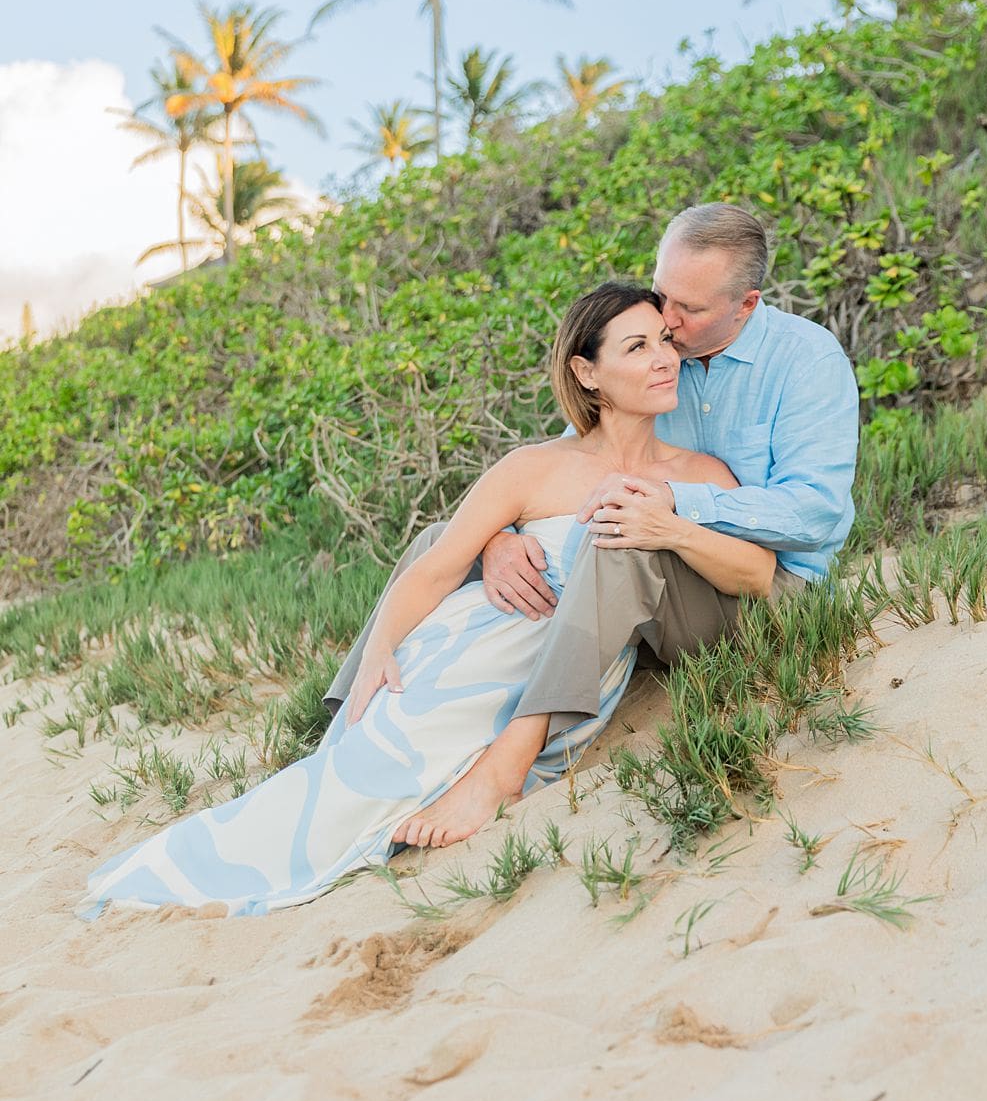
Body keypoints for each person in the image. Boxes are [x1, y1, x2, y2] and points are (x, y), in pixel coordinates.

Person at [78, 283, 776, 919]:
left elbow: (758, 575)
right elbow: (437, 567)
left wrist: (669, 526)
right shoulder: (534, 467)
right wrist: (381, 650)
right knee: (374, 759)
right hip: (498, 639)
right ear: (586, 372)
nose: (665, 359)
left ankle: (500, 770)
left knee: (613, 535)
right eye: (637, 346)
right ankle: (306, 781)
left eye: (665, 342)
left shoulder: (701, 472)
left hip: (606, 646)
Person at [325, 203, 860, 848]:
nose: (667, 320)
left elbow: (814, 513)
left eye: (687, 309)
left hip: (773, 594)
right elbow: (578, 457)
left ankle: (507, 766)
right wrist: (499, 537)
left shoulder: (805, 361)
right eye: (662, 294)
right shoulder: (660, 353)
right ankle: (347, 717)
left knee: (620, 538)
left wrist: (672, 505)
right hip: (658, 584)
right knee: (444, 541)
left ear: (745, 305)